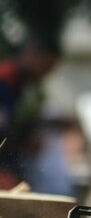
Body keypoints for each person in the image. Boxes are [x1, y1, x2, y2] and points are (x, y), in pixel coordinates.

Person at [0, 35, 60, 189]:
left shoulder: (28, 87)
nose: (45, 74)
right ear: (32, 53)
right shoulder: (5, 79)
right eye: (45, 67)